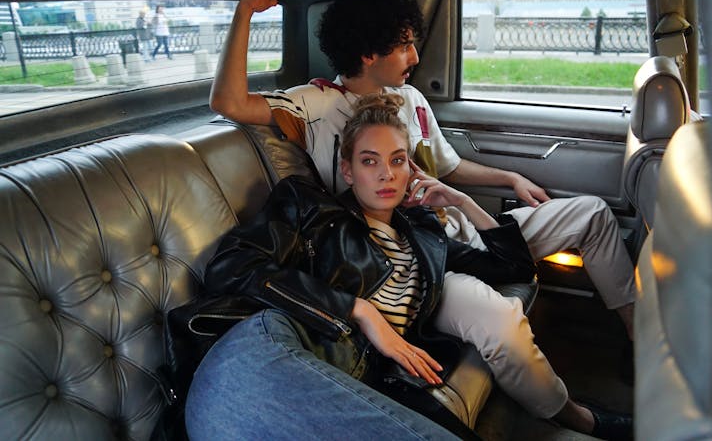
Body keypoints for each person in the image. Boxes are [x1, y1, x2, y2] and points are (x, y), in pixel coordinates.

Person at [211, 0, 633, 430]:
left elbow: (447, 169)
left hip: (458, 230)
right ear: (369, 52)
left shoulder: (410, 98)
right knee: (500, 319)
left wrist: (510, 178)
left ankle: (639, 339)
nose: (415, 57)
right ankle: (578, 418)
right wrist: (243, 13)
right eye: (404, 45)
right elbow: (229, 101)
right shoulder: (315, 102)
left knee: (591, 213)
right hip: (415, 256)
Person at [185, 94, 630, 439]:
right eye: (369, 161)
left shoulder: (424, 236)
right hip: (282, 353)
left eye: (397, 161)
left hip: (366, 380)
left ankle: (579, 417)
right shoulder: (309, 205)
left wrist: (461, 200)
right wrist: (356, 309)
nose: (385, 175)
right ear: (348, 169)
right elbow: (231, 266)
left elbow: (512, 268)